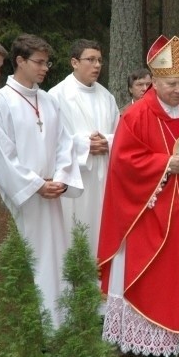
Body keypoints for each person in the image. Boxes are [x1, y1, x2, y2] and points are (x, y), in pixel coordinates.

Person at [97, 35, 179, 357]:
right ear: (154, 80)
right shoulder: (137, 116)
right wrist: (164, 163)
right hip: (154, 211)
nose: (178, 90)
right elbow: (124, 163)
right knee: (160, 273)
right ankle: (148, 341)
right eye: (171, 84)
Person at [0, 34, 83, 327]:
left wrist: (61, 179)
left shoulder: (49, 102)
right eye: (38, 62)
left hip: (51, 199)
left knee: (55, 262)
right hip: (21, 199)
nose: (44, 68)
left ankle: (59, 324)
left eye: (47, 62)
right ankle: (31, 329)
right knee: (28, 261)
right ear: (20, 61)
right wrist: (36, 184)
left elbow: (65, 145)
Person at [49, 39, 119, 255]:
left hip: (105, 175)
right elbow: (51, 139)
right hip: (75, 178)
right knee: (76, 232)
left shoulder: (106, 96)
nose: (97, 65)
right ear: (74, 62)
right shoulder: (56, 95)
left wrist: (107, 142)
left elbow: (121, 133)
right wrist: (84, 145)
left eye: (99, 60)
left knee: (102, 231)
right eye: (90, 59)